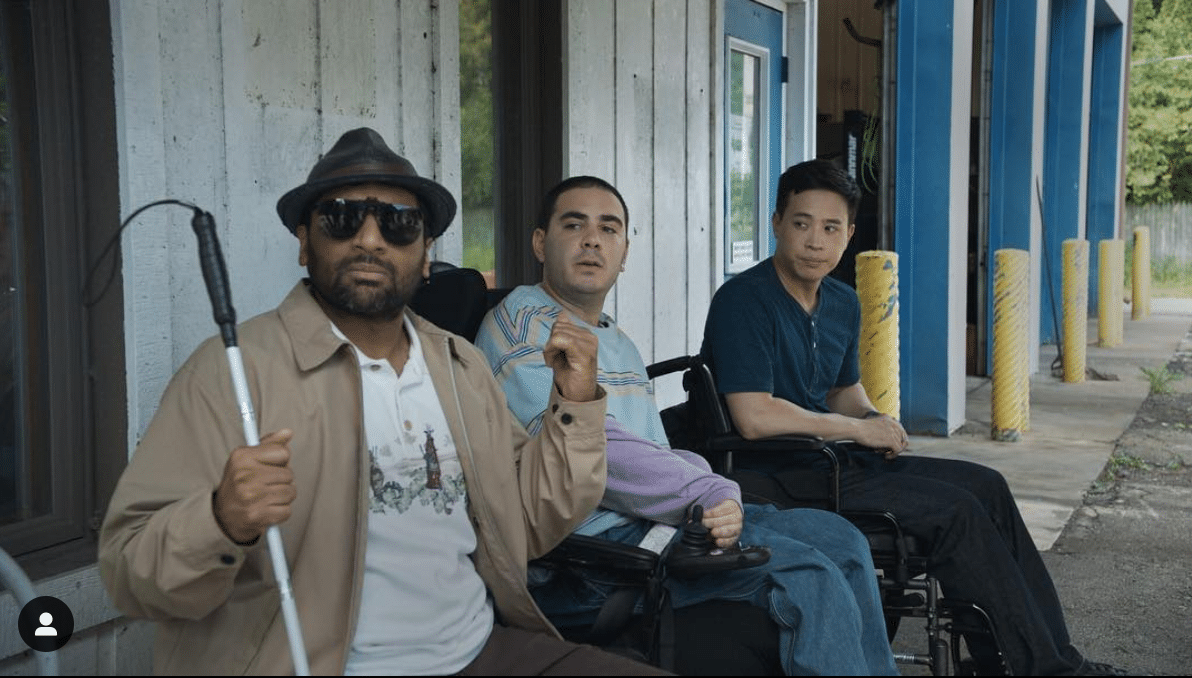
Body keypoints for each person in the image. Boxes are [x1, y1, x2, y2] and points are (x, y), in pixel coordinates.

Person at [98, 128, 668, 676]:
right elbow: (129, 573)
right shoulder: (232, 373)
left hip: (479, 652)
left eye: (399, 223)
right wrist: (221, 520)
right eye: (343, 217)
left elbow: (527, 522)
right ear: (304, 242)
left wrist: (574, 404)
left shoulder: (459, 366)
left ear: (424, 255)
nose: (370, 238)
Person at [699, 158, 1130, 677]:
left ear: (849, 234)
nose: (815, 240)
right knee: (956, 513)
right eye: (801, 223)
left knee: (988, 485)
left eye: (831, 227)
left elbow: (841, 391)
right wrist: (858, 429)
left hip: (834, 460)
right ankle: (1039, 670)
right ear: (776, 224)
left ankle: (1041, 659)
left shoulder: (842, 301)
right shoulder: (743, 301)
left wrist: (875, 417)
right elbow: (753, 417)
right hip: (772, 474)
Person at [474, 175, 899, 676]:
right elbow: (591, 453)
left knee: (840, 540)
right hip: (591, 557)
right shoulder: (525, 323)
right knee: (809, 576)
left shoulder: (617, 342)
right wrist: (708, 489)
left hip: (654, 523)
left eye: (608, 229)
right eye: (574, 225)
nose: (592, 240)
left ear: (625, 251)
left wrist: (702, 482)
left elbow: (653, 452)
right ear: (540, 243)